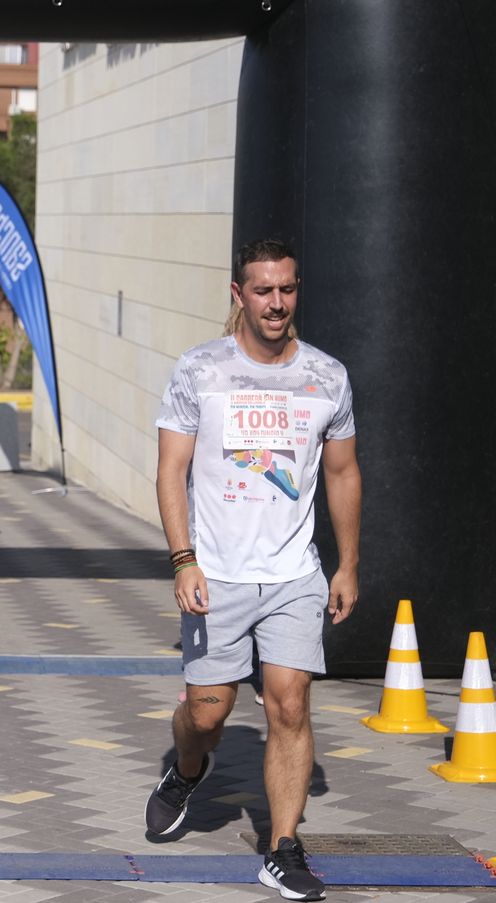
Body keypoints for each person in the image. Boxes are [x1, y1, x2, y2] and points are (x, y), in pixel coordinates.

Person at [147, 238, 361, 903]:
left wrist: (348, 564)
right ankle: (187, 768)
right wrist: (183, 559)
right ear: (239, 294)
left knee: (290, 702)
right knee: (207, 714)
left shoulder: (326, 376)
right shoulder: (200, 369)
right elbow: (171, 470)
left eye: (287, 289)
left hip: (294, 573)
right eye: (263, 290)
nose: (276, 302)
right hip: (216, 574)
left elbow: (343, 473)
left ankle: (282, 847)